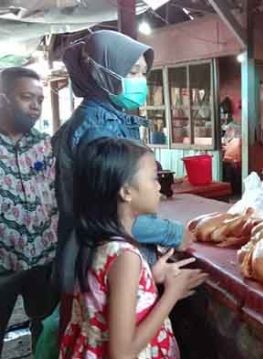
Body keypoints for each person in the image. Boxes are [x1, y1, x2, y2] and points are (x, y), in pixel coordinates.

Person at [52, 30, 193, 333]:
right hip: (99, 263)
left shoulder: (111, 118)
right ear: (101, 72)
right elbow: (110, 215)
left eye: (143, 72)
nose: (140, 80)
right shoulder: (97, 129)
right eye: (132, 72)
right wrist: (171, 232)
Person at [59, 138, 206, 358]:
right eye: (153, 178)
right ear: (126, 192)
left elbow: (103, 294)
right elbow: (122, 352)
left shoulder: (97, 239)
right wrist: (172, 294)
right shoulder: (125, 257)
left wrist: (150, 278)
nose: (159, 186)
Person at [0, 67, 58, 354]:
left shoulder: (45, 145)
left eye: (40, 99)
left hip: (43, 258)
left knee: (45, 327)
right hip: (2, 263)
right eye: (27, 97)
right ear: (3, 99)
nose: (35, 106)